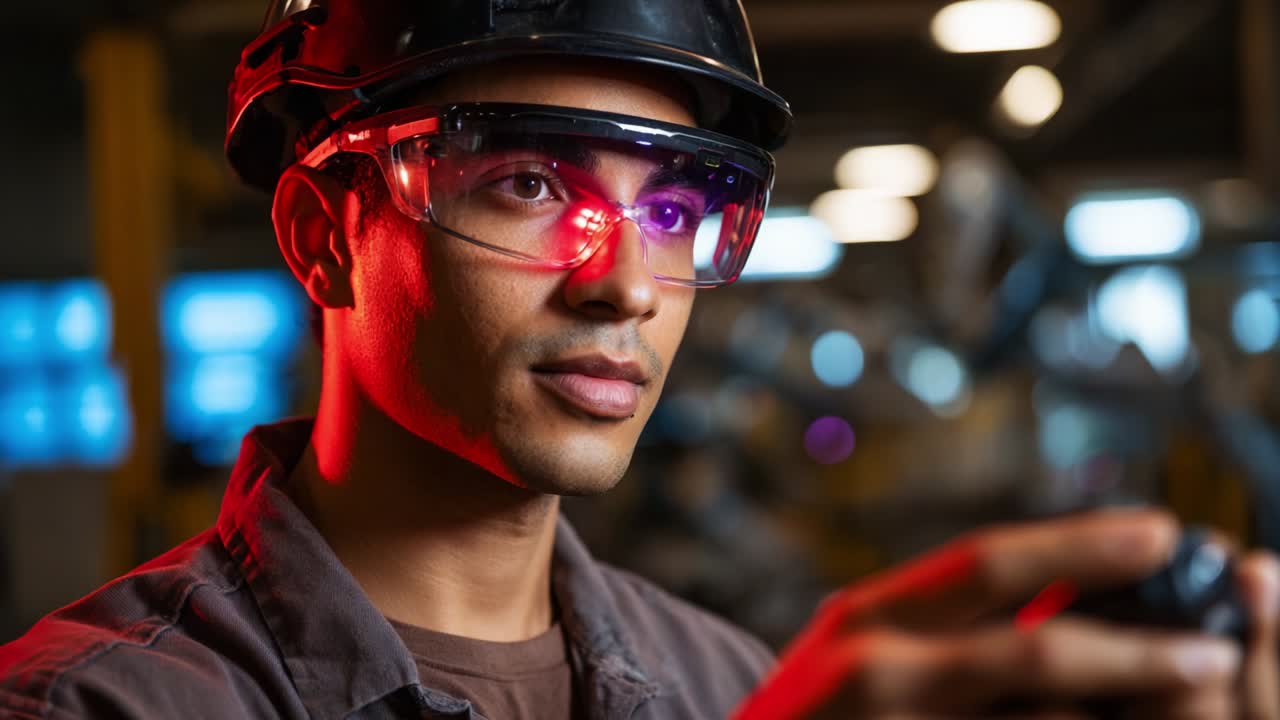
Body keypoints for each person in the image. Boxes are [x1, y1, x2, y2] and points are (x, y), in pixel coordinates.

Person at [1, 1, 1278, 718]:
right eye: (525, 182)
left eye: (672, 209)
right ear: (325, 235)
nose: (620, 280)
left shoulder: (722, 682)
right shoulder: (101, 711)